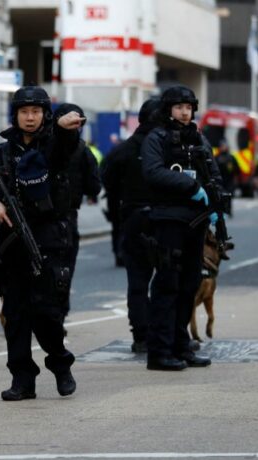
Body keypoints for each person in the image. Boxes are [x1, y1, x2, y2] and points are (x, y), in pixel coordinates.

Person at [0, 86, 85, 400]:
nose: (29, 117)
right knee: (15, 315)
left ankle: (60, 364)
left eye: (36, 111)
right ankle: (22, 380)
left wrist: (64, 128)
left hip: (48, 241)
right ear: (16, 115)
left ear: (44, 115)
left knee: (47, 312)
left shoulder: (55, 144)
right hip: (12, 243)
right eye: (24, 112)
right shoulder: (3, 152)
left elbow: (65, 147)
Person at [141, 85, 220, 371]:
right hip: (168, 220)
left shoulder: (198, 138)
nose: (185, 112)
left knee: (189, 285)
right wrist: (191, 187)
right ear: (168, 110)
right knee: (167, 285)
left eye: (188, 107)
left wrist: (217, 205)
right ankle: (159, 352)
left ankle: (181, 346)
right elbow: (153, 172)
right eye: (179, 107)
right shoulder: (157, 138)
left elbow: (213, 173)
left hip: (196, 222)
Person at [101, 98, 160, 353]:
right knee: (168, 281)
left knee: (137, 282)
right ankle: (164, 333)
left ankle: (141, 336)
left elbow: (106, 180)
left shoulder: (123, 150)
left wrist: (118, 214)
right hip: (164, 220)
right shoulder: (165, 148)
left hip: (133, 219)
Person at [53, 103, 101, 293]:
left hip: (37, 219)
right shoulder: (83, 151)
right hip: (68, 218)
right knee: (63, 278)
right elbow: (94, 187)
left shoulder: (41, 145)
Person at [214, 138, 239, 216]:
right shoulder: (217, 157)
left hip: (229, 180)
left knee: (229, 195)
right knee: (221, 195)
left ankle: (229, 210)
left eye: (224, 146)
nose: (223, 147)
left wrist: (235, 176)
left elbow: (237, 169)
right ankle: (222, 210)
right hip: (220, 179)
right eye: (222, 146)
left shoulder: (231, 157)